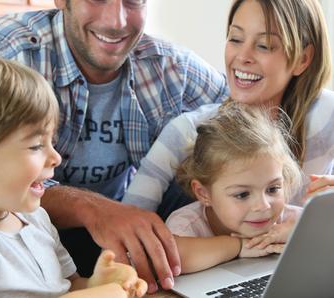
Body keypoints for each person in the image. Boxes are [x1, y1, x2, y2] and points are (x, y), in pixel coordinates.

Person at [0, 0, 229, 292]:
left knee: (206, 162)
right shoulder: (9, 57)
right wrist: (93, 210)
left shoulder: (169, 65)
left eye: (133, 1)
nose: (116, 21)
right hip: (47, 220)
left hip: (105, 228)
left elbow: (242, 109)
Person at [123, 0, 334, 211]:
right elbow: (129, 219)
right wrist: (235, 246)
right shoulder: (188, 131)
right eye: (235, 39)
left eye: (264, 45)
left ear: (303, 59)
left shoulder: (326, 114)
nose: (242, 57)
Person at [0, 55, 147, 298]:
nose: (56, 158)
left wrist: (97, 284)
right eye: (36, 145)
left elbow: (67, 287)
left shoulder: (36, 218)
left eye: (52, 141)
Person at [166, 101, 302, 273]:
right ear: (203, 193)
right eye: (243, 194)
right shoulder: (187, 226)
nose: (264, 205)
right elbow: (172, 260)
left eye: (272, 189)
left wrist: (301, 235)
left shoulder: (291, 221)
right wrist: (238, 246)